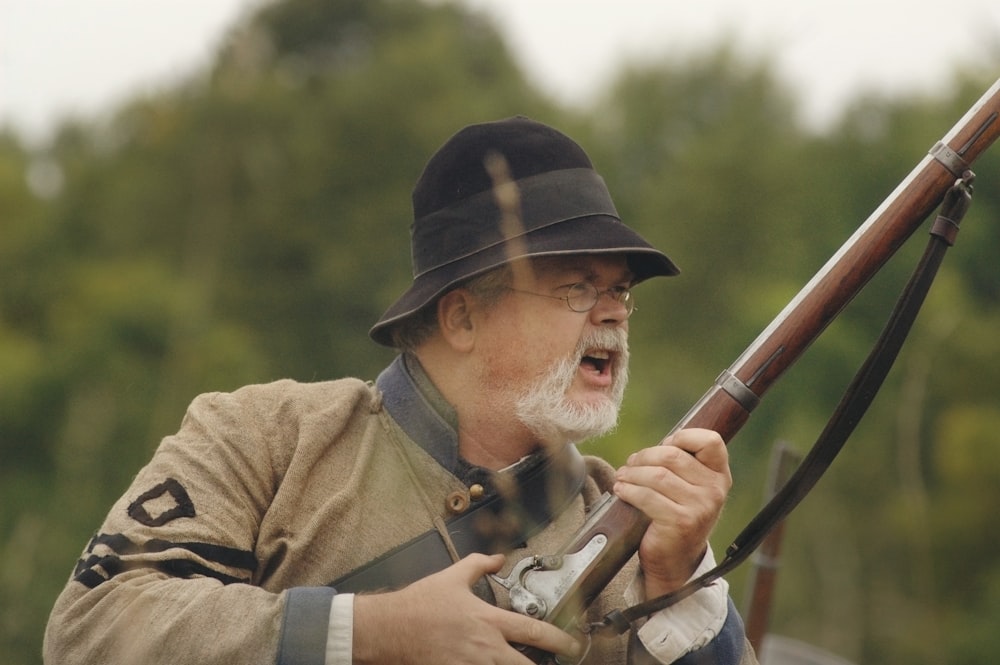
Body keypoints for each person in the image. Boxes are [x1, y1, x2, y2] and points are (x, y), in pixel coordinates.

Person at [44, 116, 758, 664]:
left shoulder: (633, 537)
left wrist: (679, 582)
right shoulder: (262, 436)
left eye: (620, 291)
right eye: (577, 286)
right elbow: (94, 625)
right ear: (462, 315)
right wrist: (373, 630)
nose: (611, 312)